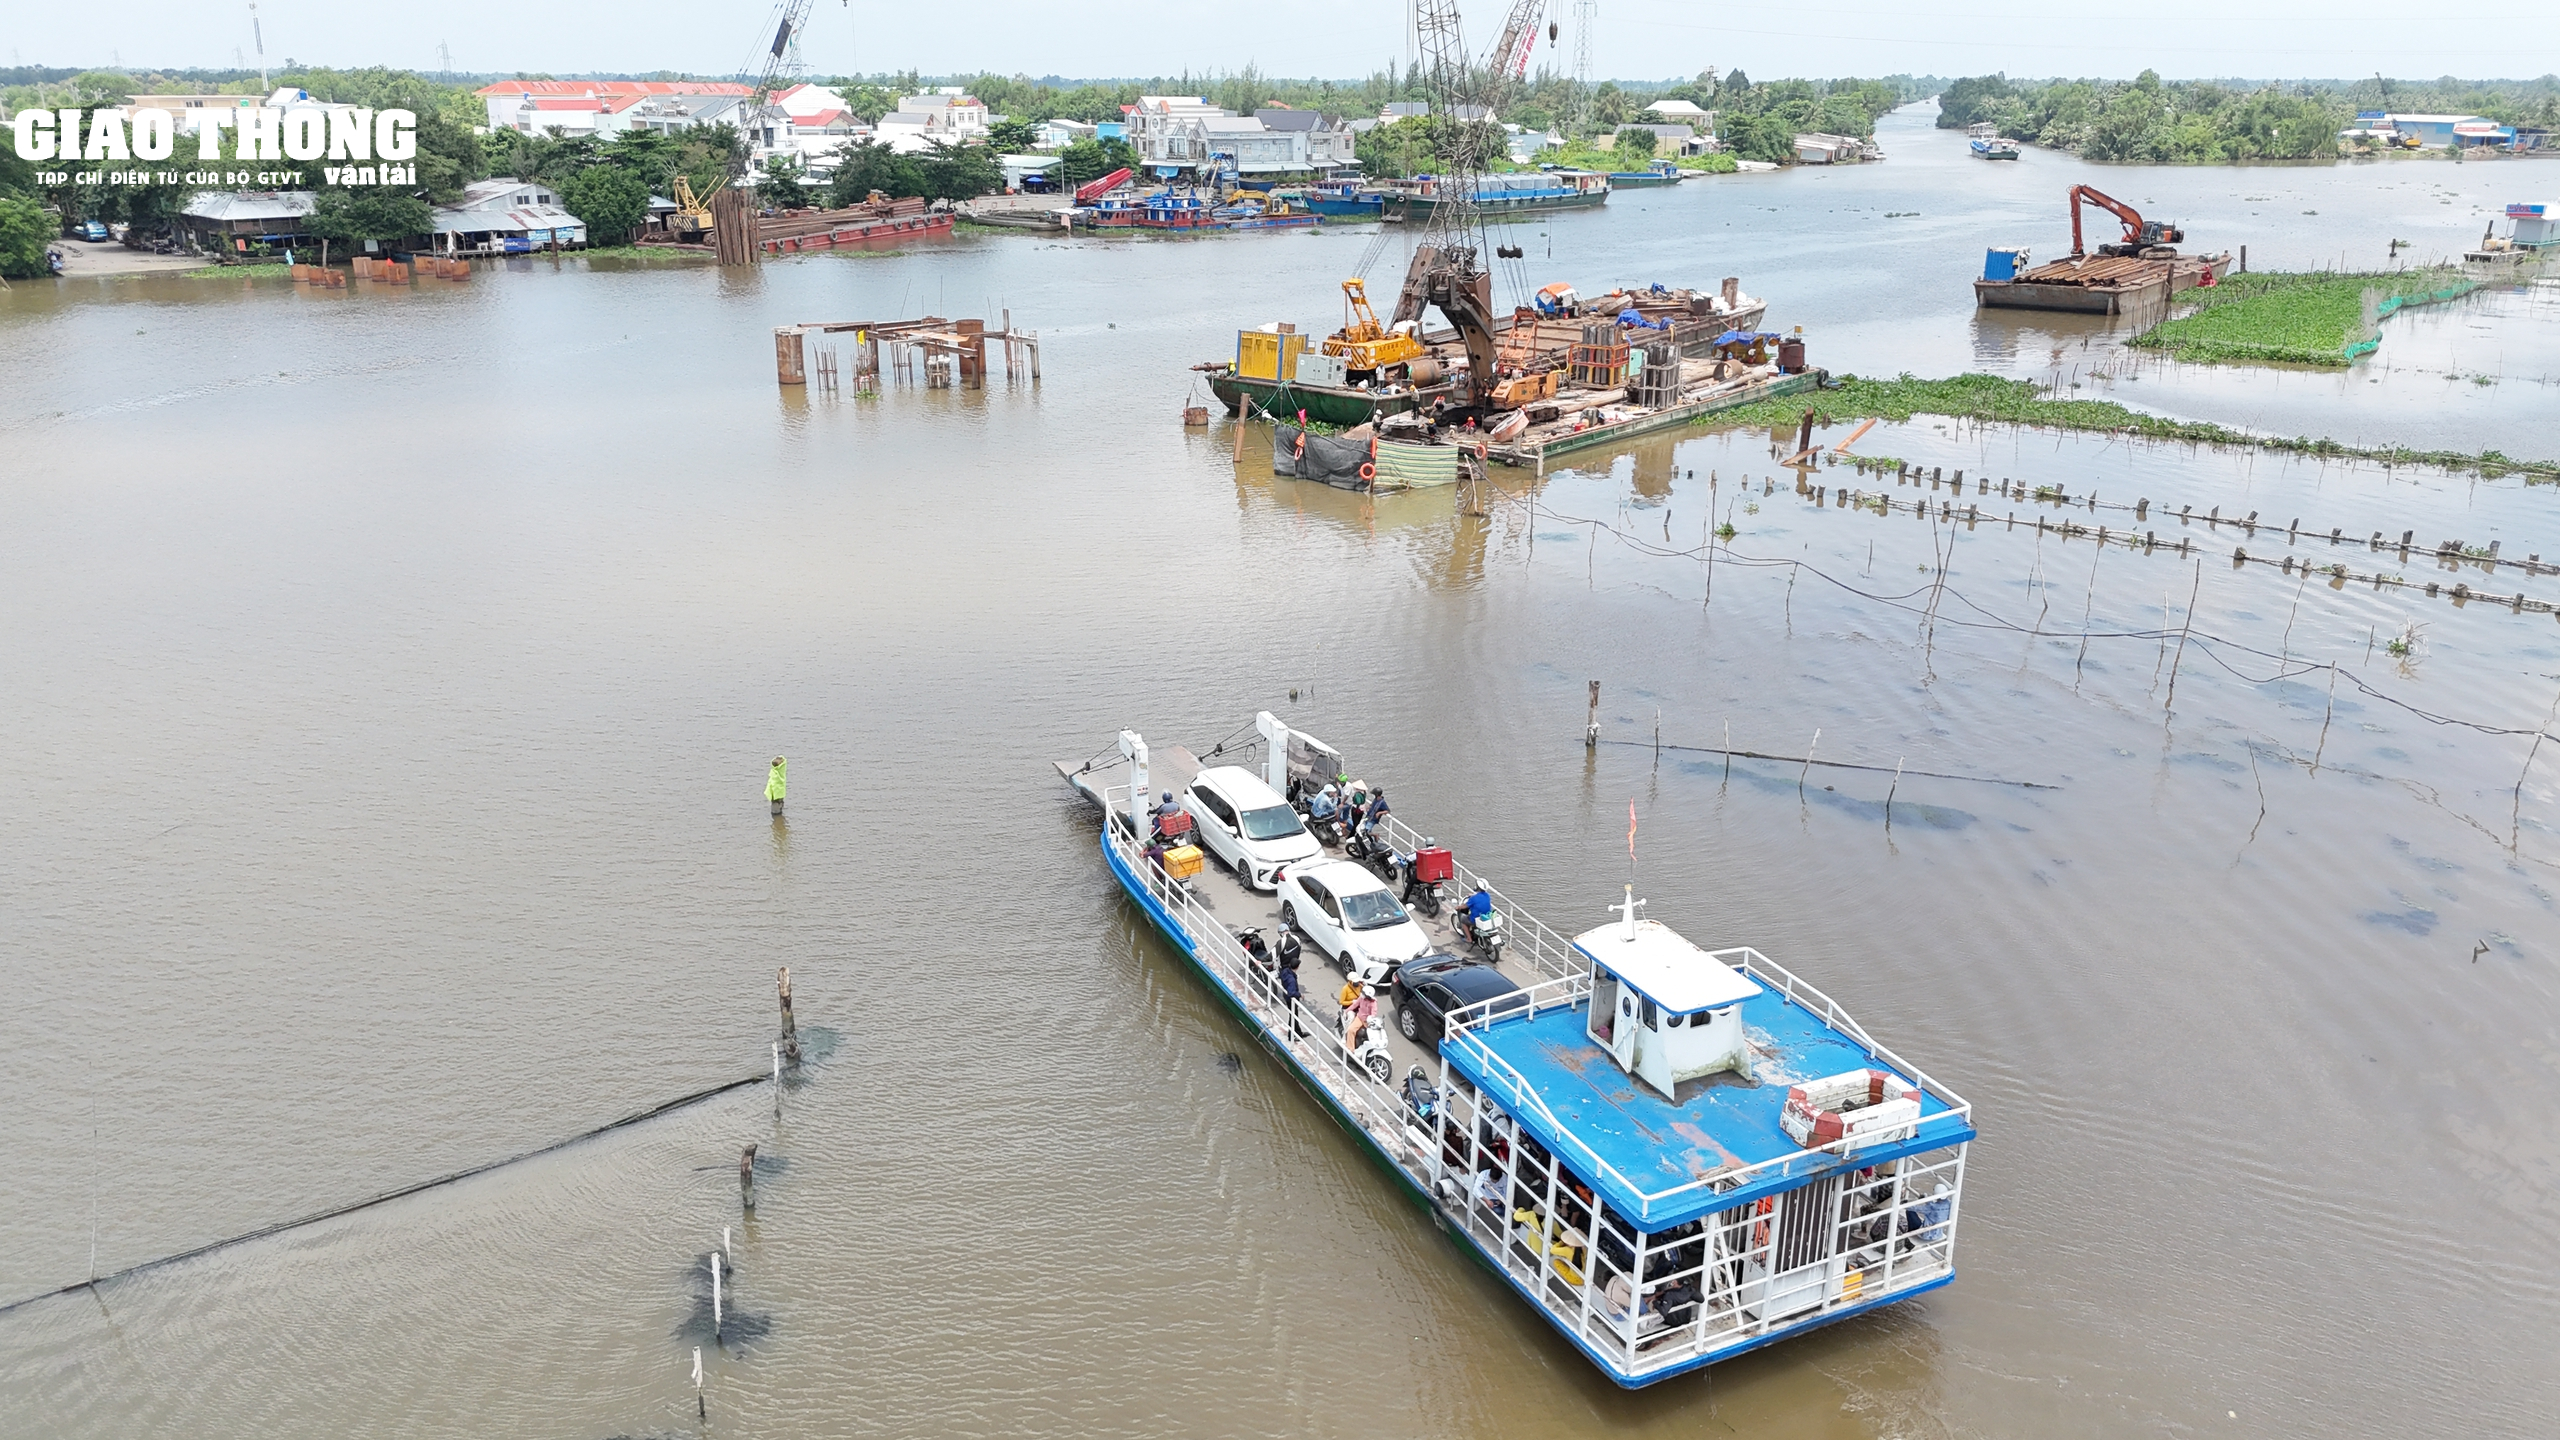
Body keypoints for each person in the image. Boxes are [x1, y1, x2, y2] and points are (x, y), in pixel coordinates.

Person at [1277, 955, 1305, 1037]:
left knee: (1294, 1016)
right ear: (1297, 967)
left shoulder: (1286, 971)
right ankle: (1291, 1035)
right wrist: (1300, 995)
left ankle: (1298, 1032)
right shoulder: (1291, 980)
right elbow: (1291, 992)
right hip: (1291, 1000)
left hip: (1287, 997)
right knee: (1293, 1017)